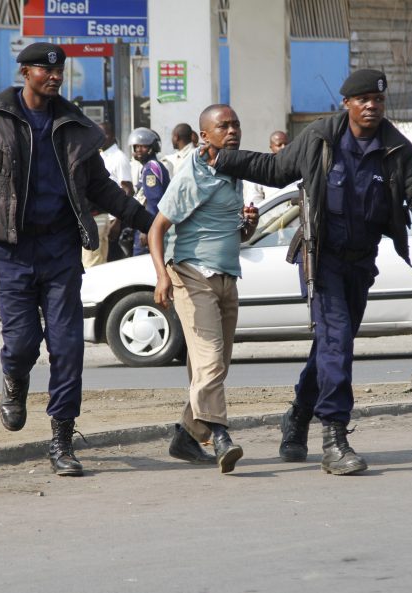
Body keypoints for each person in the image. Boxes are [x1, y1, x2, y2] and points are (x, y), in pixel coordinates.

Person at [211, 69, 412, 475]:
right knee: (337, 339)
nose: (372, 106)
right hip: (321, 259)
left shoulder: (396, 148)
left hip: (361, 262)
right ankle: (334, 438)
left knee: (330, 345)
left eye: (378, 100)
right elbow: (276, 170)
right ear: (347, 104)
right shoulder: (321, 138)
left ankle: (298, 415)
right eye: (363, 100)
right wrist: (225, 159)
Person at [0, 42, 155, 477]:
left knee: (68, 347)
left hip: (60, 251)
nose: (55, 76)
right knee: (21, 343)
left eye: (59, 70)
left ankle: (61, 438)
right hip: (10, 251)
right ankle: (15, 381)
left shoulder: (75, 126)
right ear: (25, 72)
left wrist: (148, 222)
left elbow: (103, 188)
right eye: (45, 69)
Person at [149, 104, 259, 474]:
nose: (232, 131)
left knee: (215, 365)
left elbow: (235, 235)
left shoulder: (232, 170)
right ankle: (221, 435)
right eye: (223, 126)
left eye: (236, 124)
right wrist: (163, 277)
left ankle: (185, 436)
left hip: (227, 275)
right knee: (210, 359)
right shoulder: (192, 174)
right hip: (192, 274)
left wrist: (247, 226)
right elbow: (157, 229)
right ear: (205, 136)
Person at [96, 121, 134, 264]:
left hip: (114, 221)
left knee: (115, 263)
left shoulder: (119, 158)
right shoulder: (101, 156)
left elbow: (128, 190)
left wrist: (117, 222)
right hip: (104, 219)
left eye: (103, 135)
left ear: (111, 136)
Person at [128, 127, 170, 255]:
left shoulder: (151, 168)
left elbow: (153, 201)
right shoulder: (149, 166)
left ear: (152, 148)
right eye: (136, 147)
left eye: (143, 147)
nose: (138, 150)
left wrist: (147, 229)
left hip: (148, 226)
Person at [242, 130, 289, 206]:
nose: (284, 147)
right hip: (273, 217)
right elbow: (254, 201)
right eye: (279, 145)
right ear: (271, 147)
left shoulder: (298, 167)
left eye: (286, 144)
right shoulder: (261, 169)